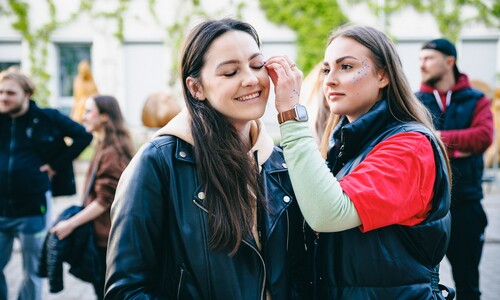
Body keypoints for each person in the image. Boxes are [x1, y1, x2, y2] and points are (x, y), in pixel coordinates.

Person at [105, 18, 308, 299]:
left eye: (257, 65)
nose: (250, 79)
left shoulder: (279, 162)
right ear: (195, 88)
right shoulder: (158, 163)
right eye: (230, 72)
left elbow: (300, 273)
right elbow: (126, 290)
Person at [266, 24, 454, 299]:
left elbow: (326, 213)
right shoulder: (346, 144)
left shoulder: (410, 147)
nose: (329, 80)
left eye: (346, 67)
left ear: (383, 75)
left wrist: (290, 115)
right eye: (327, 69)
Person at [0, 68, 92, 300]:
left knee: (33, 271)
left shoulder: (46, 118)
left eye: (10, 93)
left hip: (33, 209)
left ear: (27, 94)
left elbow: (83, 135)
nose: (3, 98)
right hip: (0, 209)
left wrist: (55, 165)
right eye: (0, 92)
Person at [416, 38, 494, 300]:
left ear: (449, 61)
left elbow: (482, 137)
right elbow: (412, 142)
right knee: (420, 283)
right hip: (425, 207)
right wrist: (459, 143)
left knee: (468, 284)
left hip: (467, 205)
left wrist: (435, 138)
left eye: (428, 59)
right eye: (420, 59)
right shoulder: (414, 101)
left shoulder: (476, 99)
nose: (421, 65)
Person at [50, 95, 134, 299]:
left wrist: (70, 224)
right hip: (105, 234)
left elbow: (104, 201)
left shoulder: (112, 153)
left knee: (107, 291)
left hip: (107, 237)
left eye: (88, 111)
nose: (83, 116)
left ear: (104, 117)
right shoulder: (105, 145)